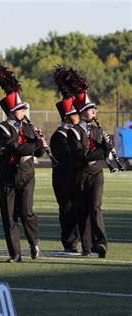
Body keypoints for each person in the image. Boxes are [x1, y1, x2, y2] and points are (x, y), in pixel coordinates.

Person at [0, 64, 46, 263]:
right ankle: (15, 253)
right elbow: (14, 146)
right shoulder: (1, 128)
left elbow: (38, 151)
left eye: (24, 108)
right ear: (12, 111)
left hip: (27, 172)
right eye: (21, 109)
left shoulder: (30, 128)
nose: (24, 111)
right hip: (7, 174)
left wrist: (40, 142)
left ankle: (34, 242)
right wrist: (34, 145)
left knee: (26, 211)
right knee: (9, 216)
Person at [67, 70, 108, 258]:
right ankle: (86, 246)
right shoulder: (74, 132)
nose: (95, 112)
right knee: (82, 210)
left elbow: (103, 151)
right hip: (80, 174)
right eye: (92, 110)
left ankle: (101, 244)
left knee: (95, 208)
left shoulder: (98, 130)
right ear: (83, 113)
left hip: (96, 173)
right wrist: (101, 151)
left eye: (95, 109)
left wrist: (106, 148)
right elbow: (81, 154)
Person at [50, 66, 80, 252]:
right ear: (68, 117)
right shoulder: (59, 136)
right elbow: (70, 155)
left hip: (77, 176)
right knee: (67, 211)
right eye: (76, 114)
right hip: (64, 179)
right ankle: (70, 244)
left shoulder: (79, 132)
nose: (79, 117)